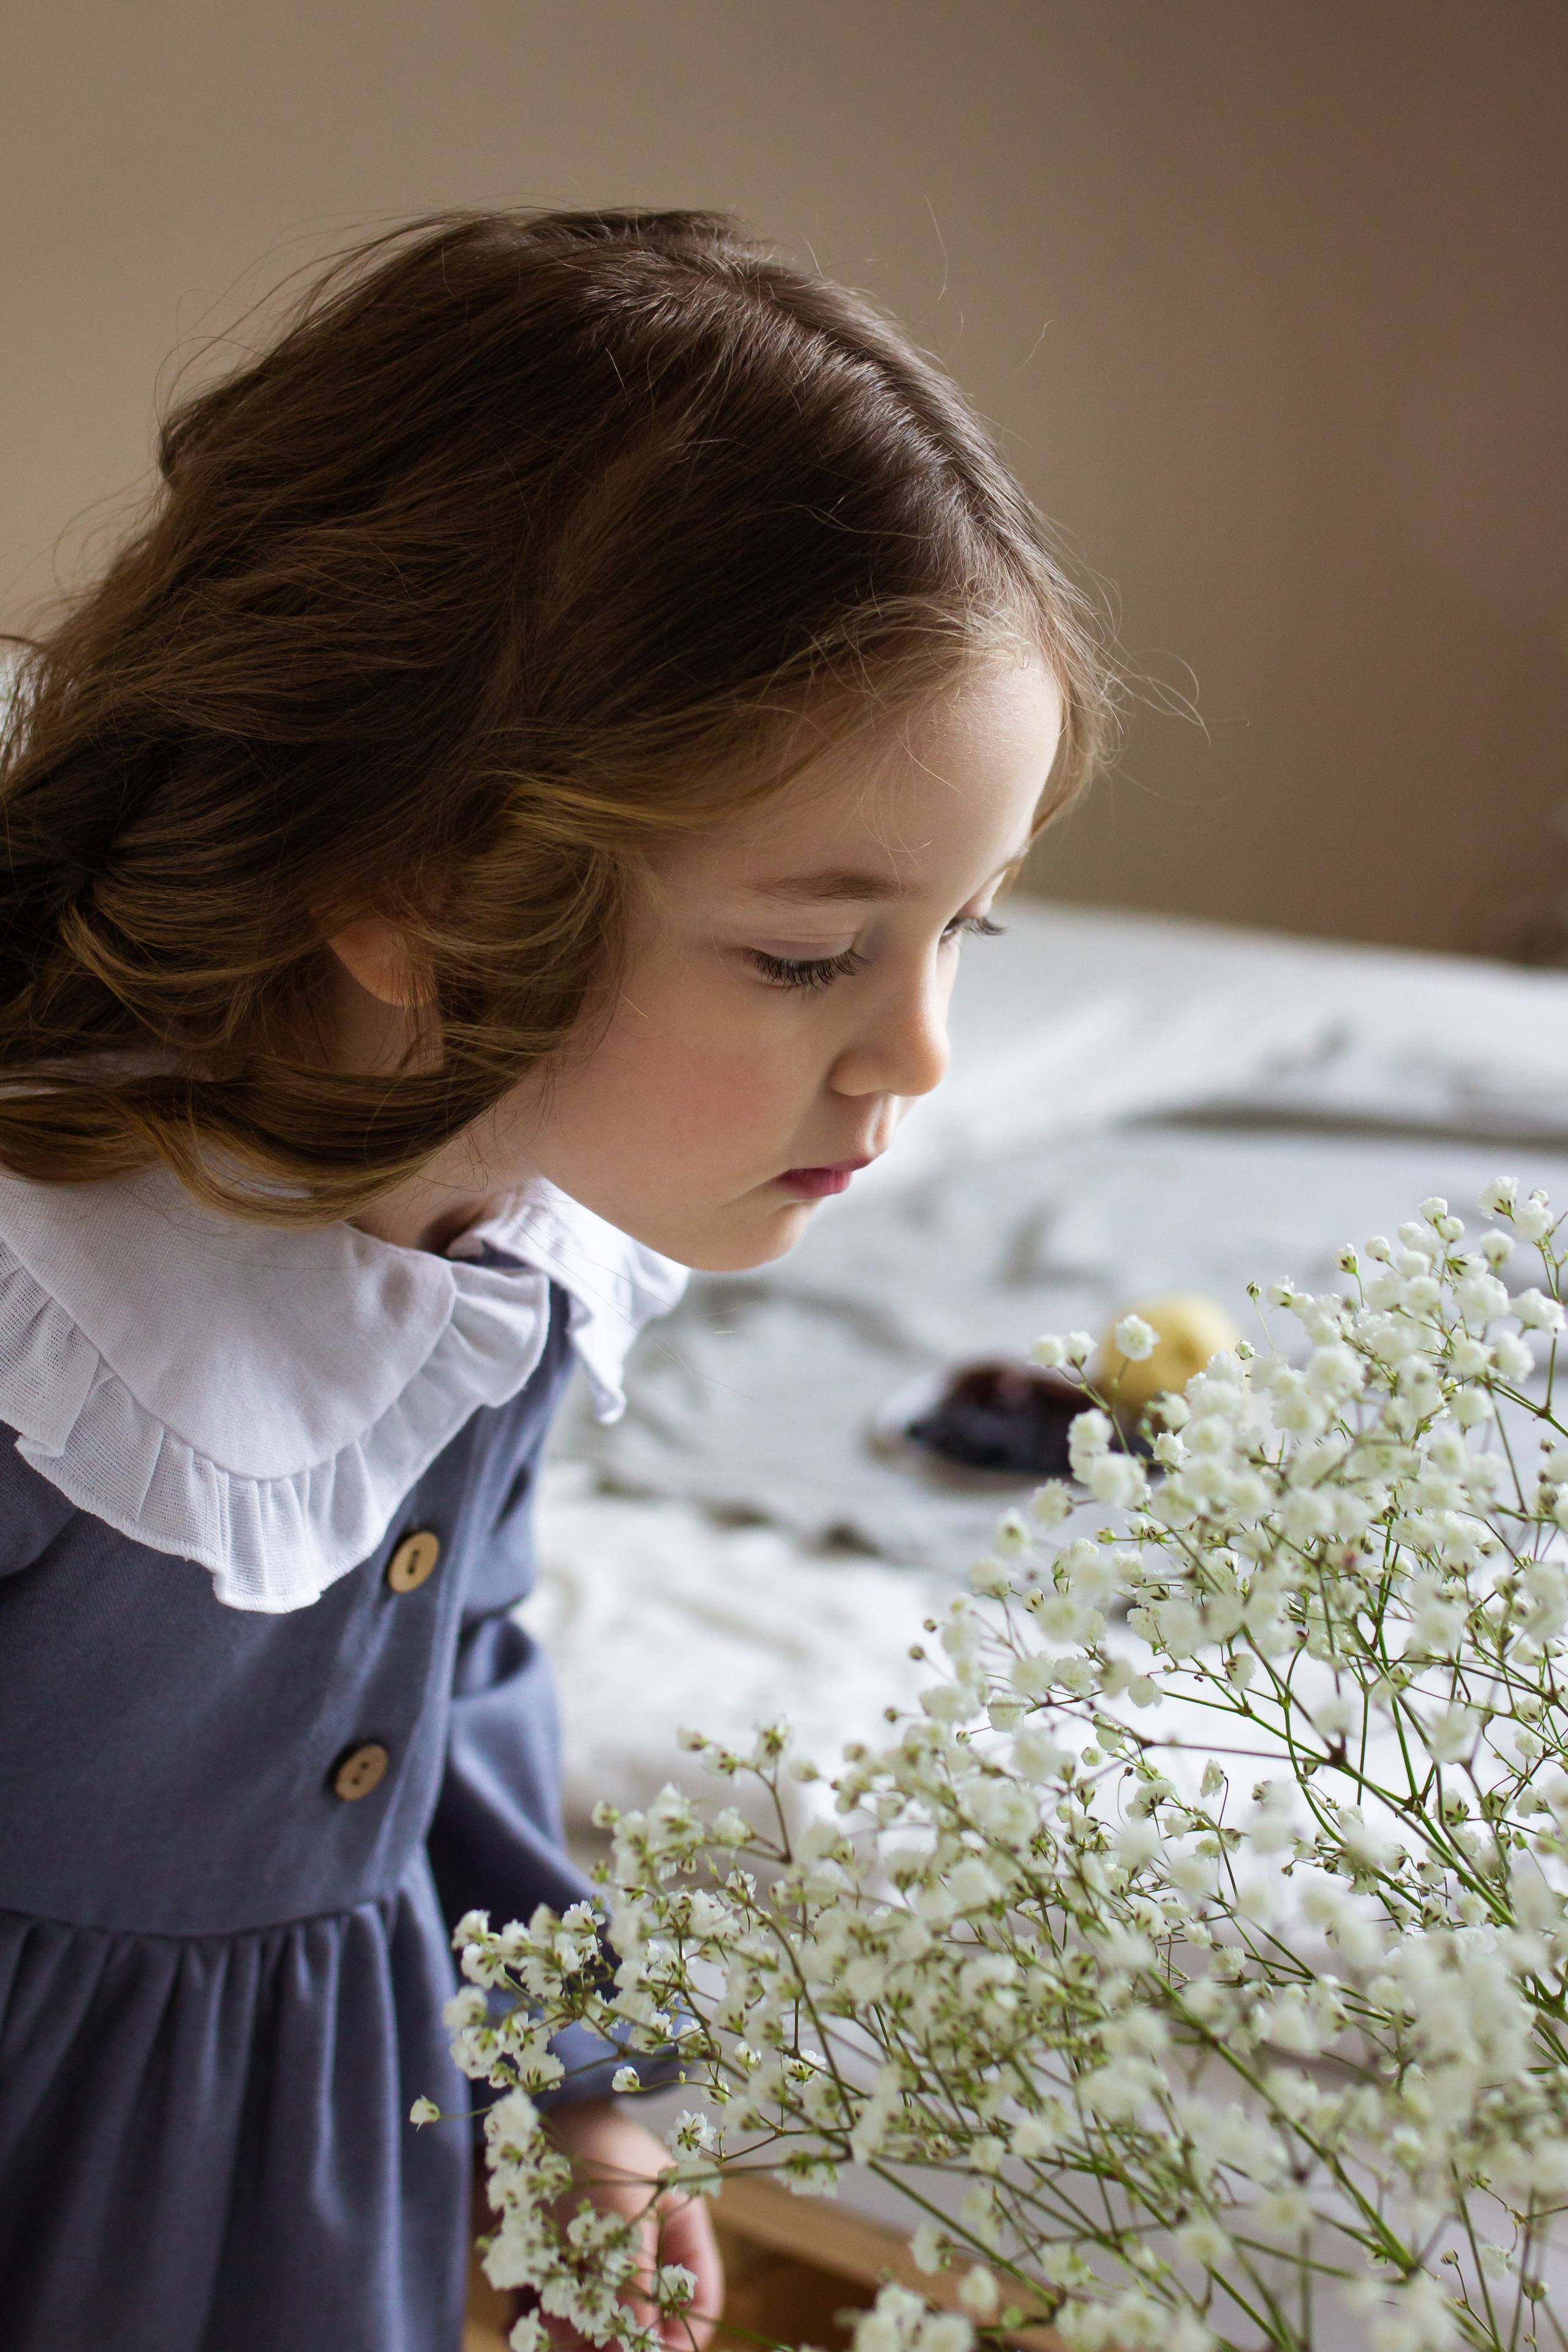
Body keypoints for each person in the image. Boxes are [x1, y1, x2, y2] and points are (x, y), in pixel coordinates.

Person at [0, 208, 1109, 2352]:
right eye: (809, 956)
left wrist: (589, 2084)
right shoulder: (61, 1341)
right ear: (407, 890)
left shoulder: (509, 1260)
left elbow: (448, 1693)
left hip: (317, 2161)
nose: (917, 1058)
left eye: (968, 932)